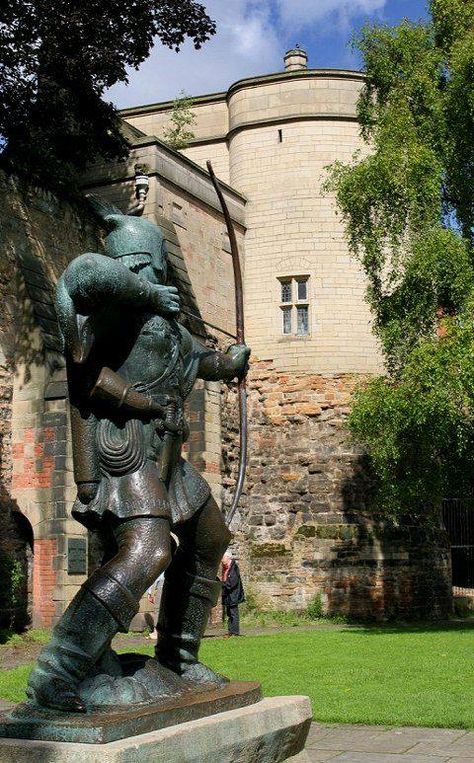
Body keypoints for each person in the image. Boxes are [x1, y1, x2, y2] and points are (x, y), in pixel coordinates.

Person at [26, 208, 250, 712]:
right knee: (149, 552)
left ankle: (179, 655)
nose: (151, 278)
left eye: (151, 272)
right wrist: (143, 291)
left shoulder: (165, 323)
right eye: (143, 269)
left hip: (167, 451)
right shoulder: (110, 306)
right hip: (124, 445)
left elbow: (195, 361)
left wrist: (226, 362)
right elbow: (81, 275)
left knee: (210, 536)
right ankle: (58, 668)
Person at [222, 552, 245, 637]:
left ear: (228, 558)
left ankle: (235, 632)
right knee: (229, 614)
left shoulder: (234, 568)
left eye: (223, 558)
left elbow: (232, 582)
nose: (221, 560)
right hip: (228, 595)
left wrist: (223, 584)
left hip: (233, 595)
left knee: (234, 614)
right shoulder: (226, 568)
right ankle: (230, 631)